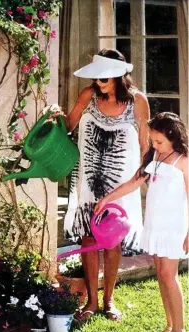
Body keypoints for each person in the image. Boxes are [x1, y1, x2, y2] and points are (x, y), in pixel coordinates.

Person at [63, 49, 150, 322]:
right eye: (97, 76)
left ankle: (108, 300)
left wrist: (145, 174)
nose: (99, 81)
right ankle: (90, 301)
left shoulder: (137, 101)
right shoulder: (88, 95)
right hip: (88, 179)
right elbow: (68, 124)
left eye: (104, 77)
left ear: (118, 75)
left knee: (112, 241)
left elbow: (145, 144)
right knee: (89, 238)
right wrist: (53, 116)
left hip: (119, 183)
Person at [95, 112, 188, 332]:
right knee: (161, 275)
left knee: (168, 275)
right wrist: (107, 199)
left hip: (174, 226)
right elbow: (133, 182)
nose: (155, 145)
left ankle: (180, 329)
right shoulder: (155, 157)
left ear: (173, 137)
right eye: (153, 141)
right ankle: (169, 325)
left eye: (159, 141)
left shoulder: (183, 162)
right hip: (155, 224)